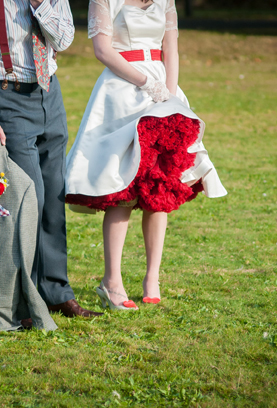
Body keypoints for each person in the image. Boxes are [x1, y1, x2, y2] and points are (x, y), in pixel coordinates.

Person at [64, 0, 227, 310]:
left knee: (159, 186)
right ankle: (112, 282)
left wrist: (169, 95)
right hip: (121, 91)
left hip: (163, 92)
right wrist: (145, 83)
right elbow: (103, 50)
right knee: (122, 185)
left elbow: (171, 48)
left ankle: (152, 278)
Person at [0, 0, 103, 319]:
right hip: (7, 97)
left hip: (49, 94)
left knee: (52, 198)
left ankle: (55, 291)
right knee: (27, 199)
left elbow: (64, 40)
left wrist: (40, 5)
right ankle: (23, 298)